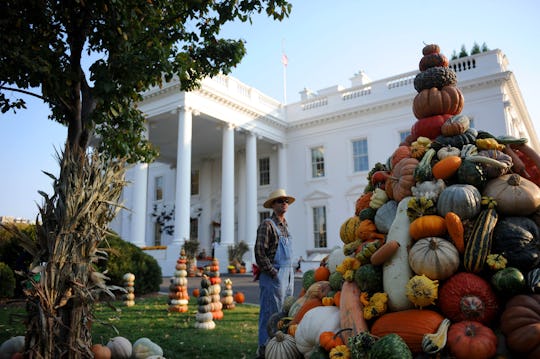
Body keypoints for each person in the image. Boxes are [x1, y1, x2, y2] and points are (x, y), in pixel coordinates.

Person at [254, 189, 296, 358]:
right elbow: (259, 253)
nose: (284, 203)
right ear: (273, 204)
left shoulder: (285, 225)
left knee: (284, 312)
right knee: (269, 313)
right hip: (274, 275)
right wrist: (273, 273)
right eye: (280, 201)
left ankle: (280, 349)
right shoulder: (267, 225)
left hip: (289, 275)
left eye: (286, 200)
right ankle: (264, 349)